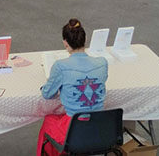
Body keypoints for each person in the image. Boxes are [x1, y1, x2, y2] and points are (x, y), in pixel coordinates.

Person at [36, 19, 108, 156]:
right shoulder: (102, 63)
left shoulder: (60, 66)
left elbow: (47, 94)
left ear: (65, 42)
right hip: (99, 127)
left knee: (49, 121)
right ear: (85, 39)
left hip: (73, 128)